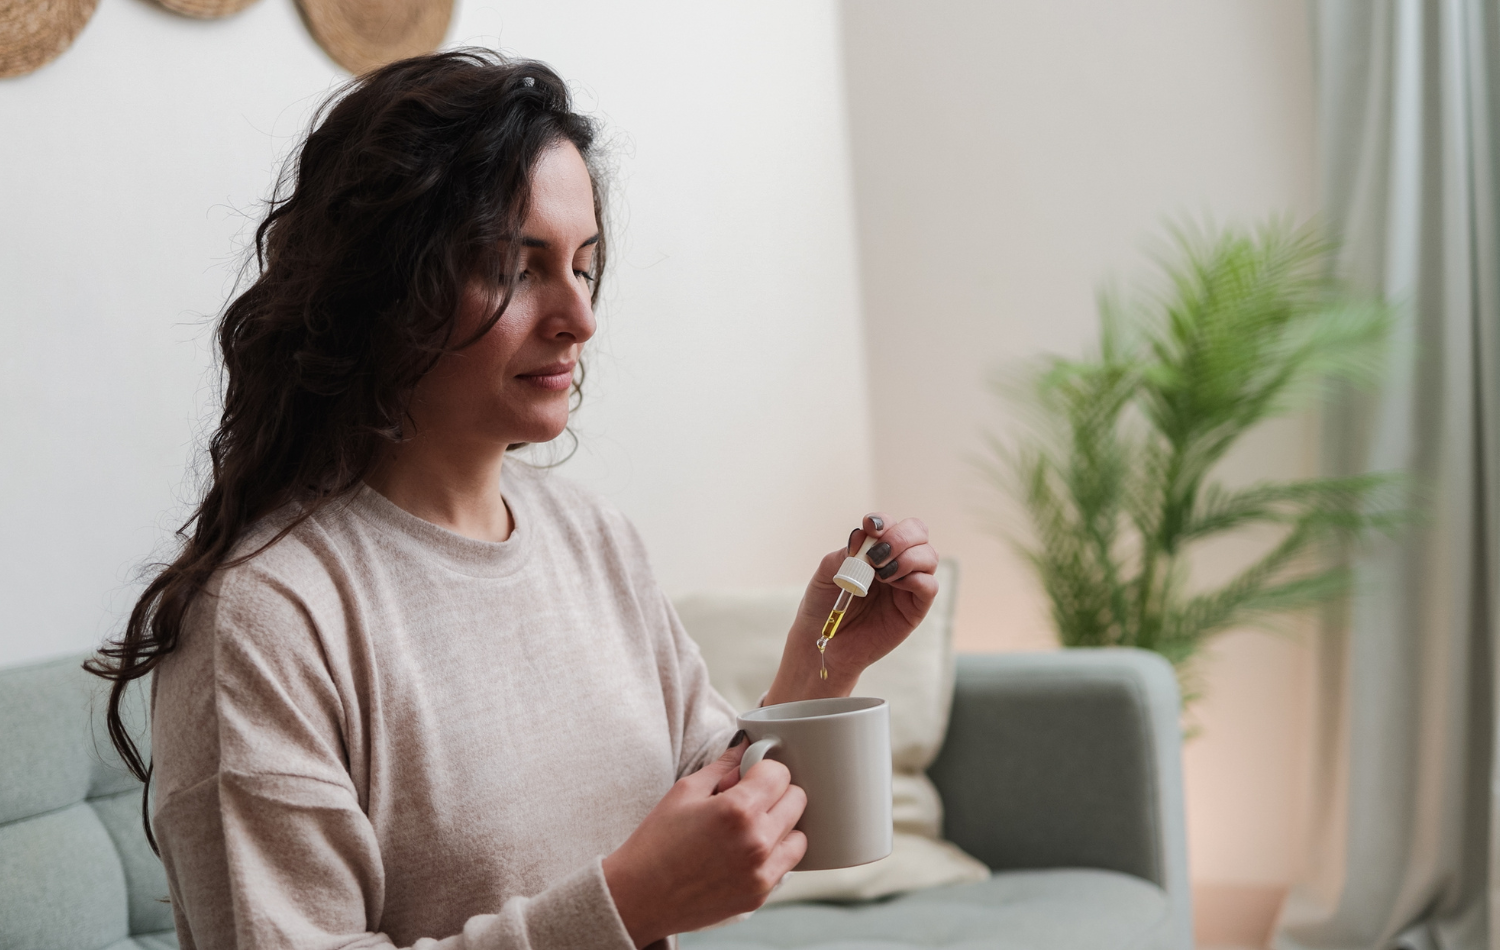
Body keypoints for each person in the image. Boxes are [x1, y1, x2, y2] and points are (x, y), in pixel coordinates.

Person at [87, 49, 938, 950]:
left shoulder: (590, 536)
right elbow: (646, 888)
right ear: (386, 286)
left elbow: (717, 815)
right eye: (518, 267)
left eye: (584, 264)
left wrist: (824, 658)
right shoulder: (265, 617)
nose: (580, 316)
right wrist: (625, 908)